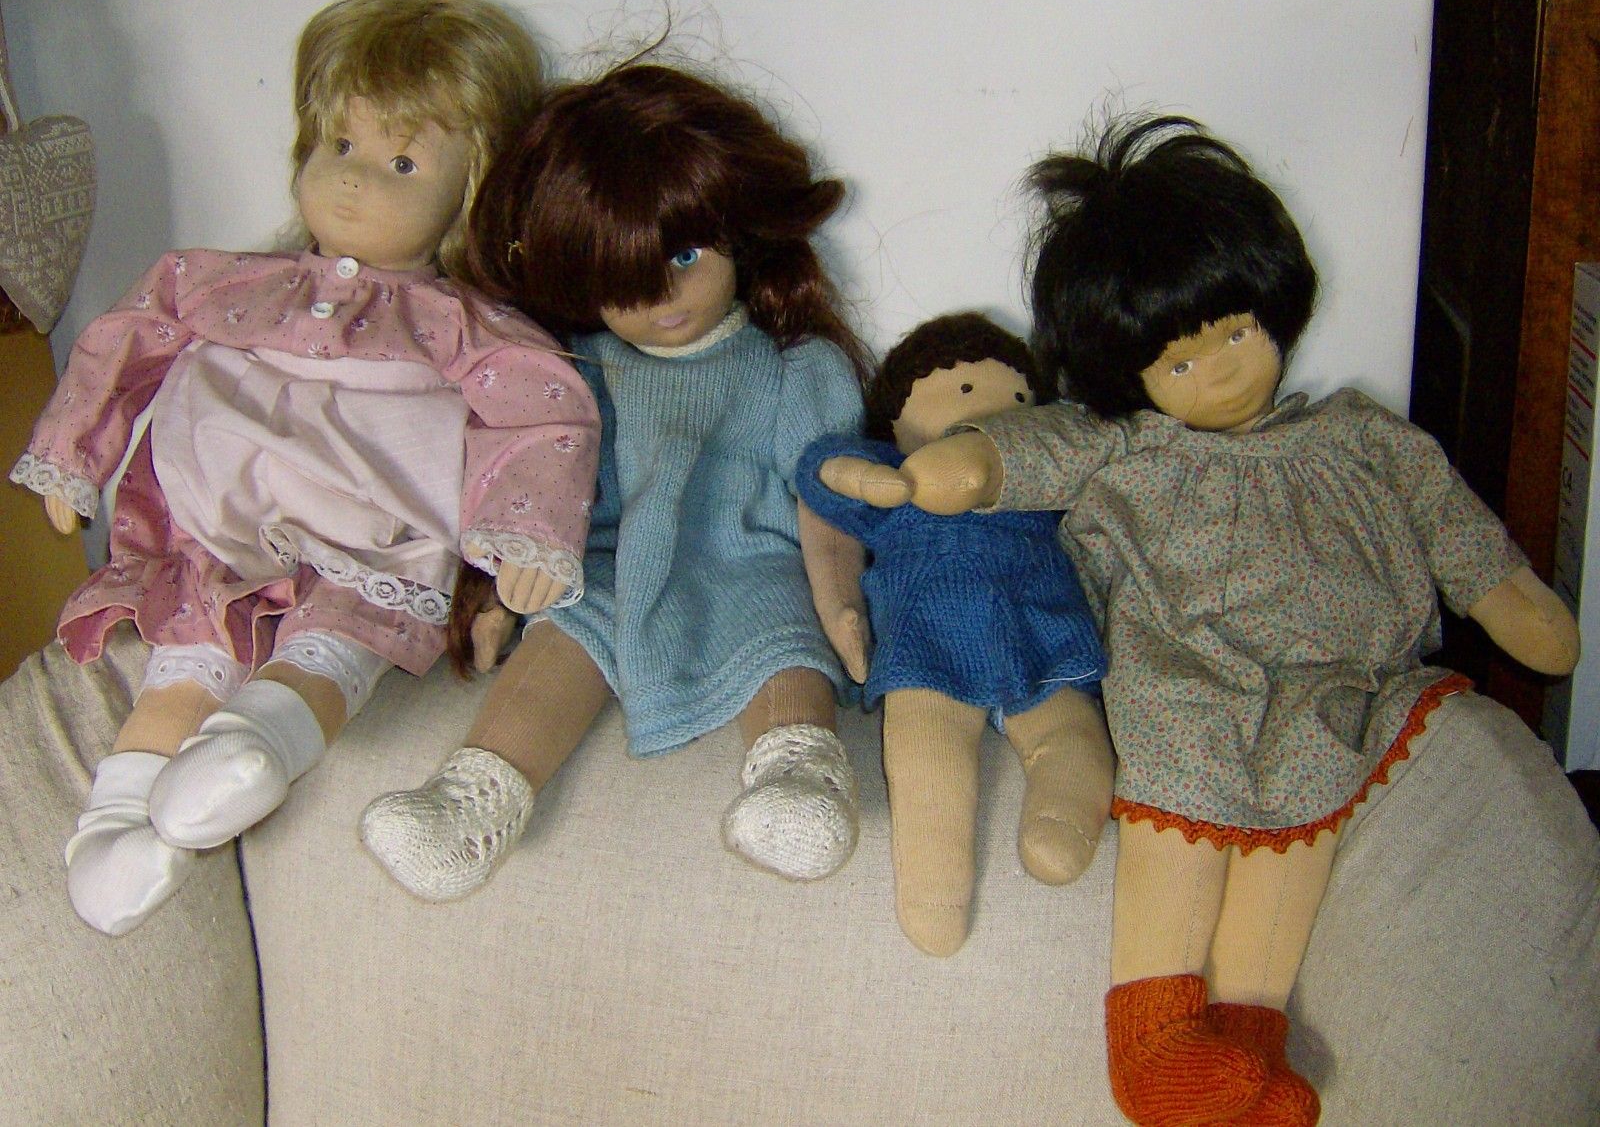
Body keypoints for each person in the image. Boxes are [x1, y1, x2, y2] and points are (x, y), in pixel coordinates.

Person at [819, 116, 1579, 1125]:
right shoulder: (1123, 445)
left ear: (1275, 307)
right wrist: (944, 472)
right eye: (1179, 362)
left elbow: (1450, 523)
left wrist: (1512, 599)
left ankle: (1248, 1037)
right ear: (1127, 375)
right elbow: (1021, 453)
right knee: (1183, 800)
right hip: (1183, 679)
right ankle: (1152, 1040)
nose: (1218, 370)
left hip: (1331, 687)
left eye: (1234, 332)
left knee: (1299, 823)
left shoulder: (1360, 434)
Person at [10, 0, 598, 936]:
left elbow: (545, 412)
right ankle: (116, 825)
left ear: (470, 189)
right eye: (340, 145)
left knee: (337, 638)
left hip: (369, 544)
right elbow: (124, 341)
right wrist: (72, 454)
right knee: (187, 654)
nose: (354, 180)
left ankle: (264, 740)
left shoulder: (459, 324)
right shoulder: (219, 282)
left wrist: (525, 538)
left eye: (401, 162)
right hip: (216, 530)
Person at [361, 62, 873, 901]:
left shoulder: (794, 369)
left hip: (757, 565)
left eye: (684, 255)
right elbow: (536, 487)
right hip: (608, 566)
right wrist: (497, 589)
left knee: (783, 641)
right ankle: (474, 799)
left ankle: (800, 776)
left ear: (738, 232)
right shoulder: (574, 371)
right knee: (565, 635)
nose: (662, 298)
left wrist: (841, 601)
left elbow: (824, 501)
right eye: (621, 282)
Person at [798, 311, 1112, 957]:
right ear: (895, 420)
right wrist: (877, 481)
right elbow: (819, 471)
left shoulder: (1033, 478)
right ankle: (933, 891)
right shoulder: (893, 476)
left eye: (1019, 398)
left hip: (1044, 639)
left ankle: (1061, 820)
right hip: (929, 648)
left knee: (1073, 738)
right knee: (924, 761)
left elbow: (1091, 457)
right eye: (964, 391)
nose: (992, 411)